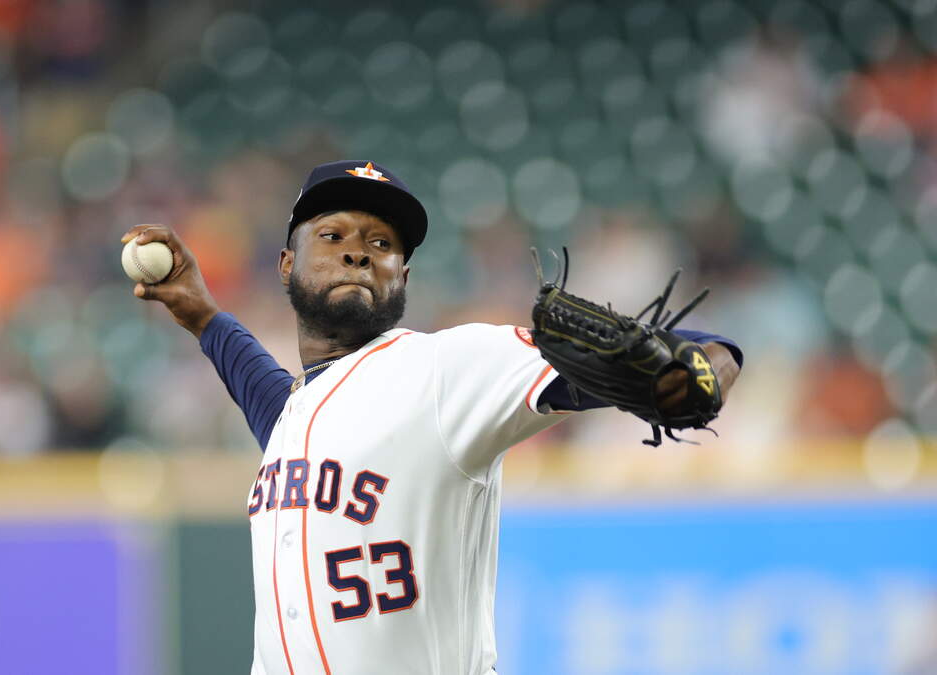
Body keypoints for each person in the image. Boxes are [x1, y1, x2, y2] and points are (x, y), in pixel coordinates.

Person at [123, 160, 742, 674]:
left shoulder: (446, 369)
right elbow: (275, 404)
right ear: (287, 264)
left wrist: (695, 369)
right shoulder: (297, 415)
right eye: (333, 236)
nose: (359, 255)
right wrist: (203, 316)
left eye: (381, 244)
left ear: (404, 276)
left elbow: (699, 350)